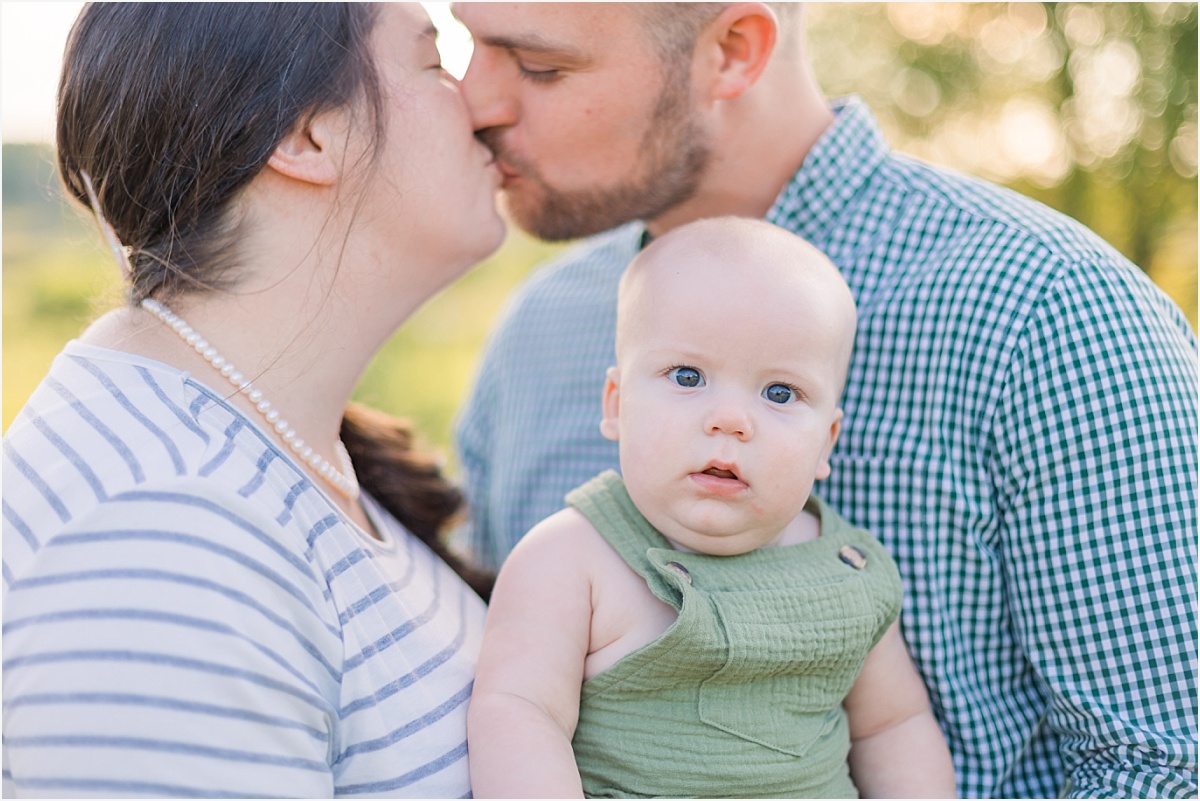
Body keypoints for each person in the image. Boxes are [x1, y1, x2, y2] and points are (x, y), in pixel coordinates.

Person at [449, 2, 1198, 798]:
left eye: (540, 66)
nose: (473, 101)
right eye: (463, 47)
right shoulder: (540, 337)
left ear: (733, 51)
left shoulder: (1049, 314)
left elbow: (1164, 765)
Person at [2, 3, 504, 797]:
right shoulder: (163, 539)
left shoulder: (266, 444)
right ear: (307, 136)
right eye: (433, 61)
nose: (487, 101)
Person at [467, 217, 957, 799]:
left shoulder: (846, 567)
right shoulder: (570, 558)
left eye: (779, 393)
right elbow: (519, 711)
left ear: (825, 442)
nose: (730, 419)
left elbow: (893, 726)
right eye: (688, 375)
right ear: (617, 405)